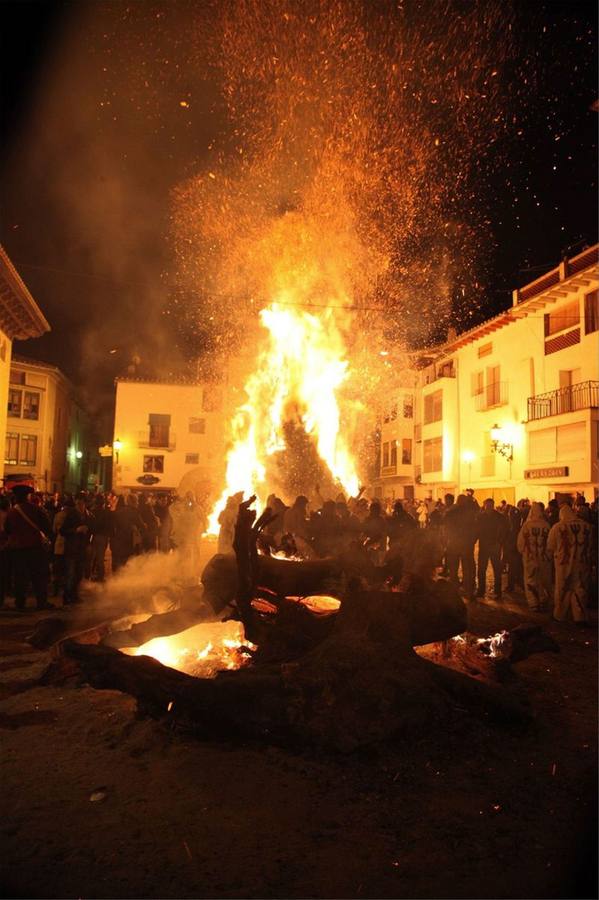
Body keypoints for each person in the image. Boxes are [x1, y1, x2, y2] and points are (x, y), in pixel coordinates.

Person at [5, 484, 52, 611]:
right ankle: (41, 602)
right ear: (28, 496)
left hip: (17, 549)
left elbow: (7, 530)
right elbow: (47, 527)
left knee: (20, 577)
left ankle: (20, 603)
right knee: (38, 576)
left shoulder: (11, 512)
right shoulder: (36, 510)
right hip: (35, 548)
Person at [547, 501, 592, 624]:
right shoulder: (586, 526)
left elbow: (550, 546)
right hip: (582, 563)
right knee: (580, 589)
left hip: (563, 564)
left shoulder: (557, 527)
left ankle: (560, 615)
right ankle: (580, 615)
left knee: (563, 588)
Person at [516, 502, 552, 612]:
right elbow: (550, 543)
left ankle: (533, 603)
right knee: (542, 579)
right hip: (543, 559)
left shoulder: (527, 526)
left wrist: (522, 552)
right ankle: (542, 599)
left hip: (529, 558)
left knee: (530, 579)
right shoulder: (546, 525)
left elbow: (520, 542)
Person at [444, 494, 477, 601]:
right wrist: (472, 541)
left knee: (453, 569)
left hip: (454, 544)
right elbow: (475, 529)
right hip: (465, 545)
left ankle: (454, 591)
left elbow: (445, 527)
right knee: (467, 569)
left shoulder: (451, 512)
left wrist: (447, 541)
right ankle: (468, 592)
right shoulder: (470, 513)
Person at [60, 493, 92, 604]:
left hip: (82, 548)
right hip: (72, 548)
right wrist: (76, 530)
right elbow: (62, 530)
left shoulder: (88, 515)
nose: (80, 503)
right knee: (70, 573)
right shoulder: (71, 514)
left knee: (78, 574)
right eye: (78, 501)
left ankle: (74, 595)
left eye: (82, 501)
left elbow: (93, 529)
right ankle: (66, 596)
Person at [476, 498, 508, 600]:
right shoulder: (481, 517)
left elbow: (505, 530)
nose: (488, 507)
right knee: (482, 569)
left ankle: (497, 591)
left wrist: (500, 542)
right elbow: (477, 530)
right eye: (487, 505)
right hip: (484, 546)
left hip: (494, 545)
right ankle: (481, 590)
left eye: (490, 505)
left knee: (496, 570)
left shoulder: (499, 517)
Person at [89, 495, 114, 582]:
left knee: (91, 557)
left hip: (94, 535)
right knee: (100, 558)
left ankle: (88, 576)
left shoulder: (92, 511)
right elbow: (111, 526)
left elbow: (90, 524)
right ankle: (100, 577)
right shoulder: (107, 513)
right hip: (103, 537)